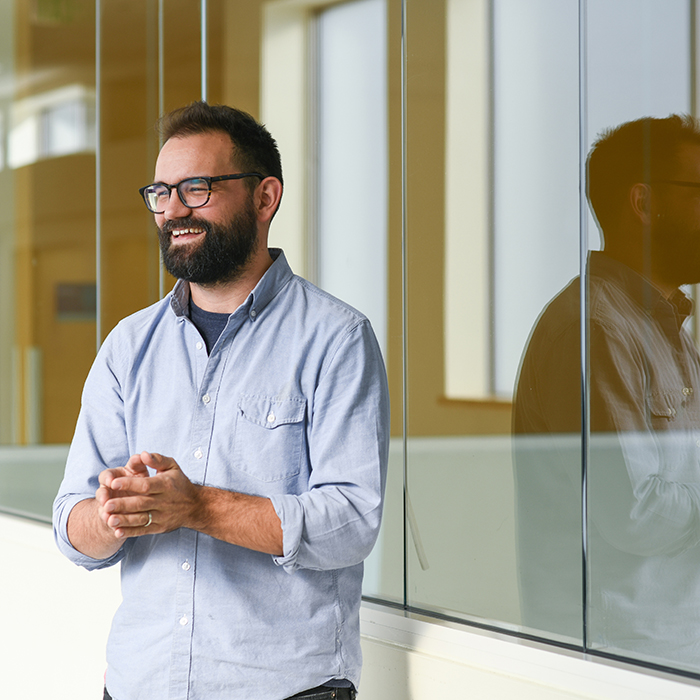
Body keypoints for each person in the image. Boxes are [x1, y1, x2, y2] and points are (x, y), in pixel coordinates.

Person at [53, 102, 390, 700]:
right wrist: (112, 514)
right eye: (162, 192)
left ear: (265, 199)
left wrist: (197, 507)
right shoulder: (128, 346)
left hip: (286, 690)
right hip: (139, 685)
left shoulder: (337, 339)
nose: (174, 210)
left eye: (198, 188)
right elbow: (71, 525)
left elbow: (352, 521)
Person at [513, 115, 700, 667]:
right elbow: (633, 513)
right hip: (618, 654)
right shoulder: (595, 329)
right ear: (644, 204)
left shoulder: (667, 331)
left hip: (669, 642)